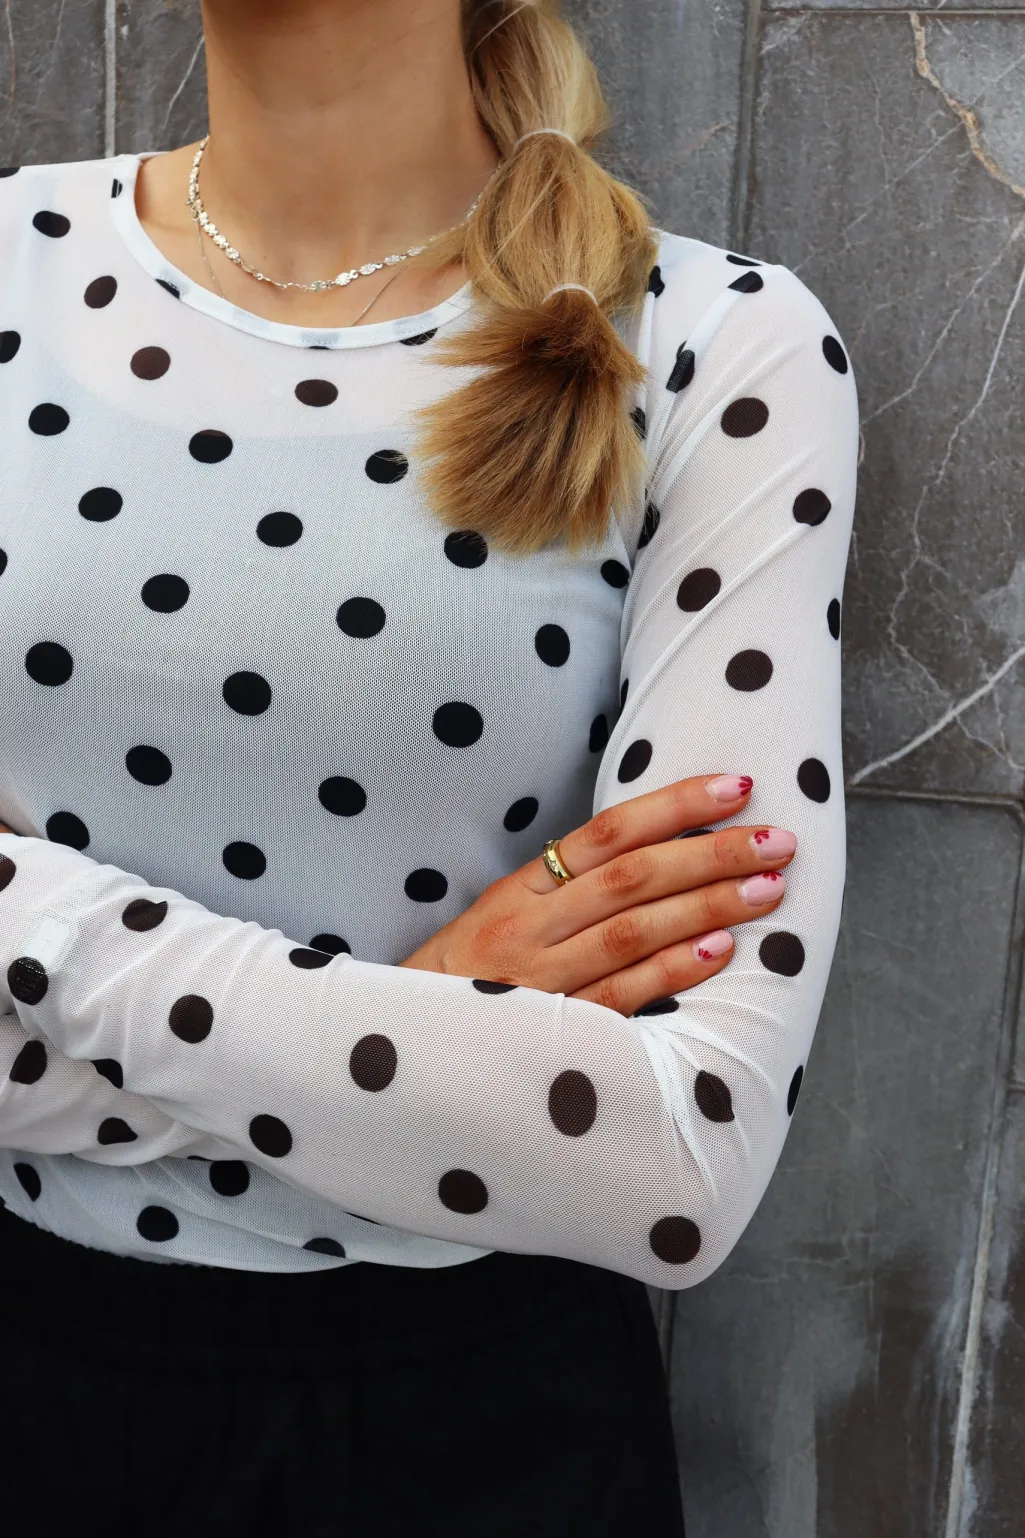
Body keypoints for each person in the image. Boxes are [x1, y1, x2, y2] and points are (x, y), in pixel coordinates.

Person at [0, 0, 858, 1532]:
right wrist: (434, 1007)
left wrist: (32, 929)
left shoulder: (715, 343)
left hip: (479, 1433)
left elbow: (677, 1156)